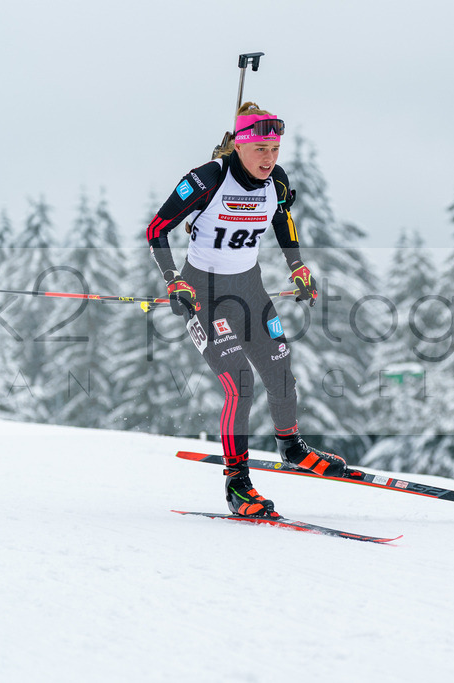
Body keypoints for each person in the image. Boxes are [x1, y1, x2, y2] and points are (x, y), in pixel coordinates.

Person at [146, 102, 359, 518]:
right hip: (204, 294)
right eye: (261, 148)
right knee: (239, 384)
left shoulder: (276, 181)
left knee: (280, 366)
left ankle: (291, 446)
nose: (270, 158)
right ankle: (237, 484)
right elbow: (157, 229)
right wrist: (174, 279)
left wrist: (297, 267)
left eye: (275, 148)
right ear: (240, 145)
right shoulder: (207, 179)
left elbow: (283, 220)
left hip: (249, 288)